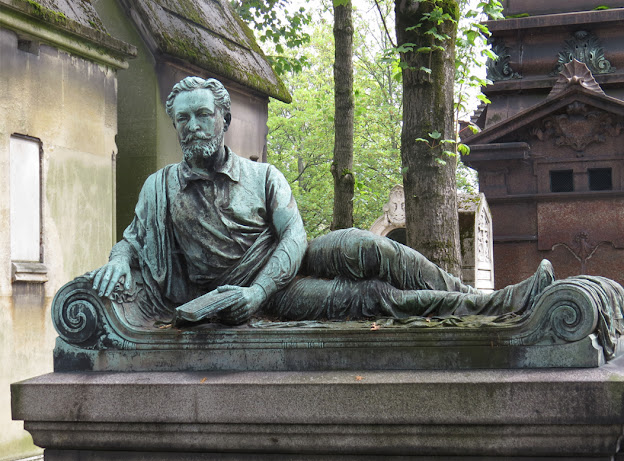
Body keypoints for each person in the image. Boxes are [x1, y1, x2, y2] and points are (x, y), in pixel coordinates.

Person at [91, 77, 553, 328]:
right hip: (270, 294)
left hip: (277, 272)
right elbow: (134, 241)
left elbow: (293, 234)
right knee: (373, 298)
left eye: (202, 115)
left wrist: (258, 291)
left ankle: (483, 297)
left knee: (369, 247)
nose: (192, 126)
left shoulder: (261, 175)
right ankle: (489, 311)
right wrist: (116, 260)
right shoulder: (161, 188)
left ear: (223, 119)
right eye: (182, 118)